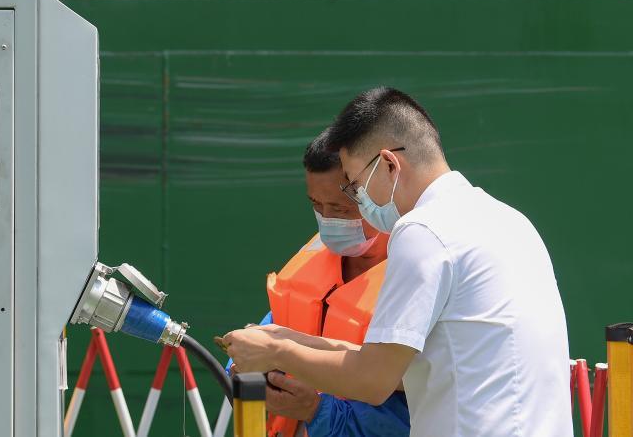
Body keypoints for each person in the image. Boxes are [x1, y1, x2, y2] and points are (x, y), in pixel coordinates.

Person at [224, 88, 572, 437]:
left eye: (355, 187)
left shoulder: (424, 230)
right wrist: (291, 339)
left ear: (389, 165)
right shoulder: (509, 222)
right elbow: (408, 370)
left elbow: (373, 380)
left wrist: (276, 351)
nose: (360, 201)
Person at [254, 130, 410, 437]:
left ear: (377, 193)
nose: (327, 219)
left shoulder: (415, 274)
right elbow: (277, 322)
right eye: (316, 204)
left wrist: (317, 410)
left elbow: (419, 409)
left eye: (340, 208)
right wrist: (246, 361)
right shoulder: (314, 257)